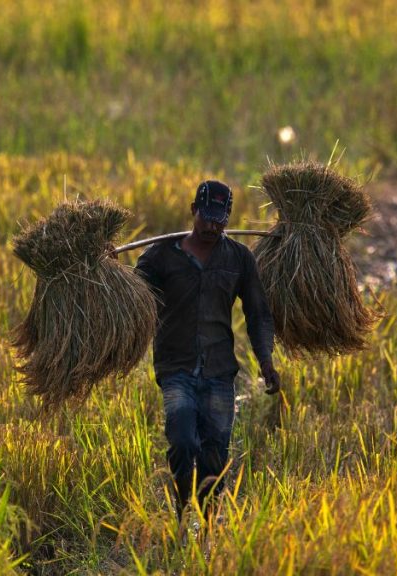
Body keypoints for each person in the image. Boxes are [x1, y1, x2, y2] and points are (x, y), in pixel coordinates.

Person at [135, 179, 281, 524]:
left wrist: (266, 360)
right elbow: (132, 293)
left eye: (220, 220)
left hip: (219, 371)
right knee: (183, 439)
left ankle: (208, 524)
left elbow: (258, 311)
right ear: (192, 211)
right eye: (206, 218)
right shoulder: (161, 255)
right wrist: (110, 270)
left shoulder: (238, 258)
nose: (213, 226)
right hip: (176, 368)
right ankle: (183, 511)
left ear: (228, 217)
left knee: (216, 454)